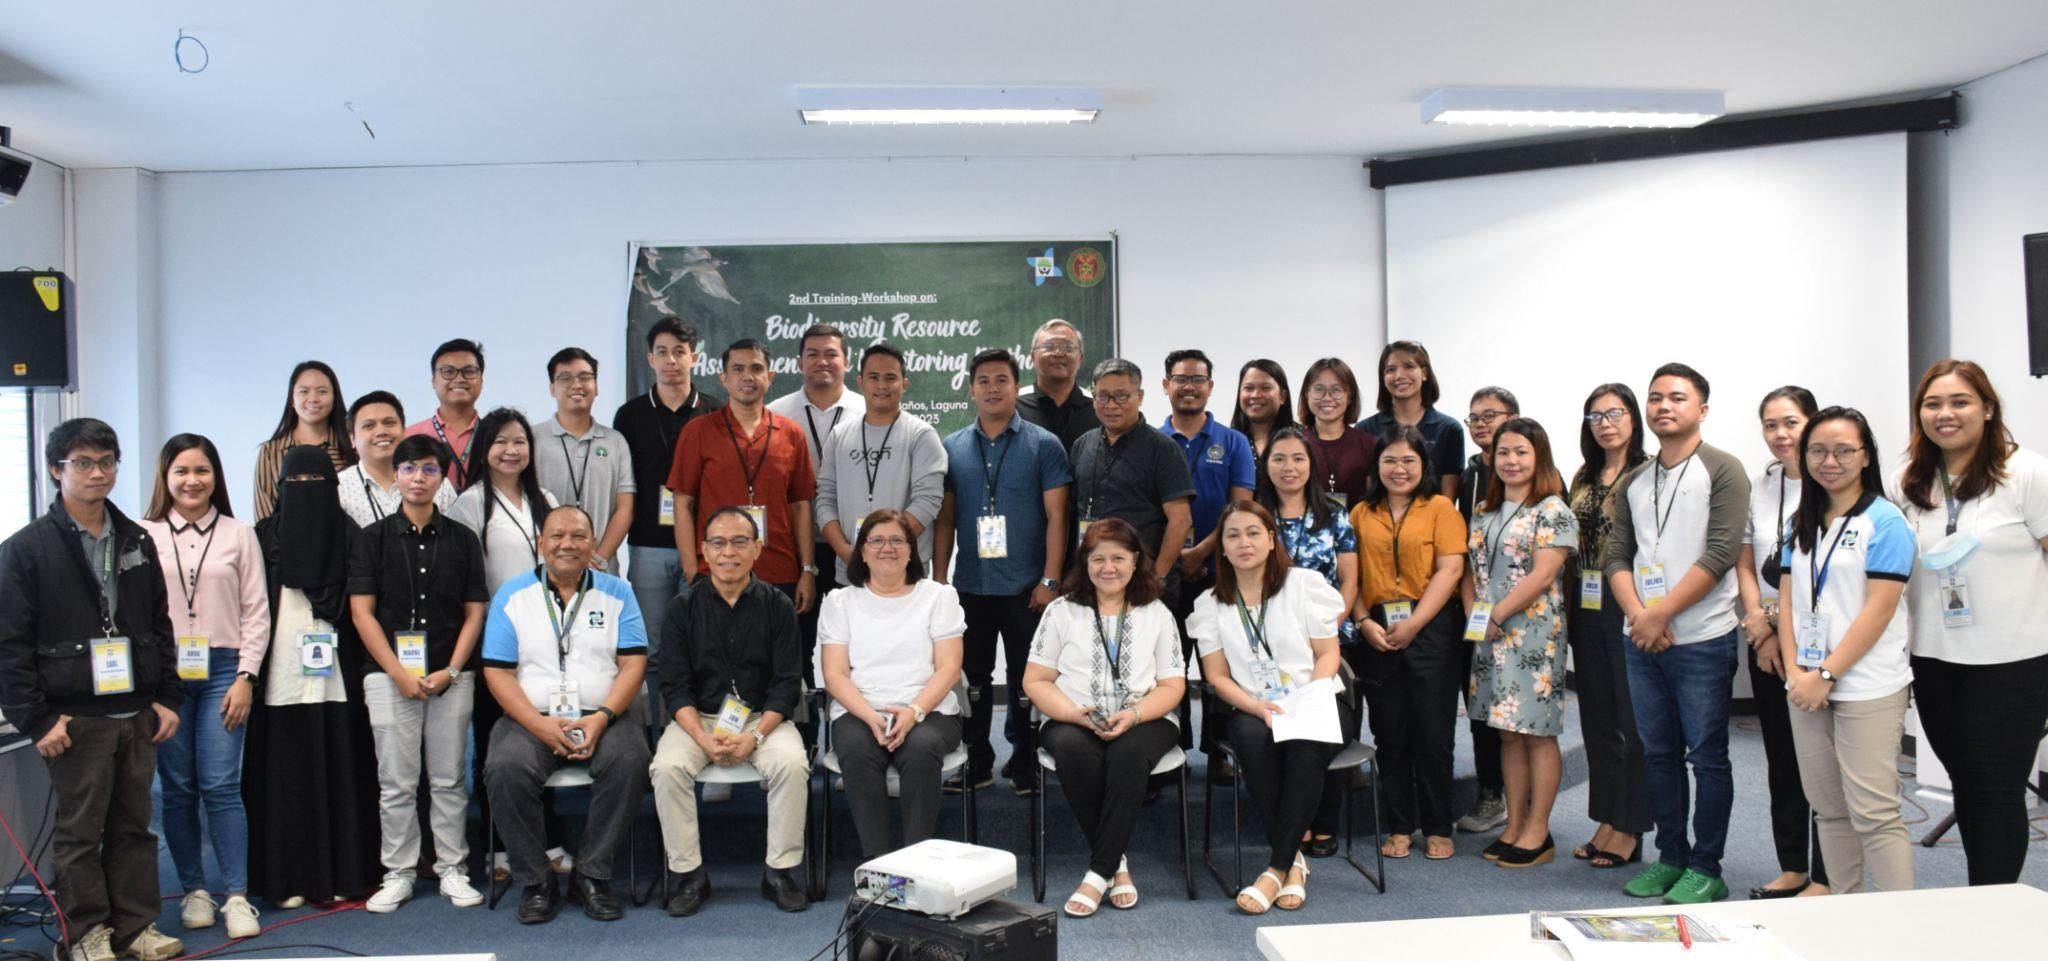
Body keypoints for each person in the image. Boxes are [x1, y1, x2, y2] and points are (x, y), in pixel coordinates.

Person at [0, 419, 185, 961]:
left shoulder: (135, 539)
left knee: (134, 827)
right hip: (72, 716)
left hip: (135, 709)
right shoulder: (26, 550)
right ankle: (85, 934)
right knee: (81, 832)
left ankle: (136, 927)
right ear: (57, 470)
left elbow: (159, 623)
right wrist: (36, 720)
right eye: (83, 463)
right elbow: (9, 646)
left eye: (107, 462)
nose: (98, 473)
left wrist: (167, 696)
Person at [1896, 359, 2048, 886]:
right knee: (1966, 785)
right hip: (1935, 660)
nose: (1945, 414)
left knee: (1995, 791)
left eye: (1960, 402)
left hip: (2012, 663)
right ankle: (1981, 903)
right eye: (1933, 404)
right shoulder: (1909, 481)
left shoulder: (2026, 472)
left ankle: (1994, 905)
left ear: (1987, 408)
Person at [1604, 363, 1750, 905]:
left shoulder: (1724, 469)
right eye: (1656, 398)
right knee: (1657, 754)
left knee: (1707, 757)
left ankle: (1706, 867)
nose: (1664, 406)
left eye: (1678, 398)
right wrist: (1641, 616)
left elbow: (1721, 553)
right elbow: (1617, 554)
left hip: (1703, 639)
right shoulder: (1637, 479)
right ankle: (1670, 857)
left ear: (1702, 410)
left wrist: (1658, 615)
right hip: (1642, 637)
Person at [481, 506, 653, 923]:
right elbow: (497, 671)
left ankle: (591, 874)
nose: (567, 544)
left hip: (603, 715)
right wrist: (537, 724)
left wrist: (603, 716)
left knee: (631, 760)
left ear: (593, 544)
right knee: (504, 767)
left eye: (578, 536)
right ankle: (535, 879)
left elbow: (633, 664)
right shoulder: (513, 594)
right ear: (541, 544)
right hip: (531, 717)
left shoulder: (618, 593)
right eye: (557, 536)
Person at [1775, 407, 1915, 894]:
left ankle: (1901, 927)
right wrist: (1795, 669)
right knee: (1829, 809)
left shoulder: (1886, 521)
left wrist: (1826, 674)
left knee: (1874, 812)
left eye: (1843, 451)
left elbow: (1878, 612)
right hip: (1806, 685)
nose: (1829, 461)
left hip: (1866, 686)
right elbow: (1789, 601)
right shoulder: (1804, 520)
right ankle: (1845, 912)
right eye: (1817, 450)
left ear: (1865, 456)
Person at [347, 434, 489, 912]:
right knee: (397, 783)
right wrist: (398, 674)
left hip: (452, 676)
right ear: (397, 476)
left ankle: (452, 868)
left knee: (450, 780)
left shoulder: (463, 539)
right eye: (409, 469)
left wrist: (451, 669)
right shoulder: (372, 539)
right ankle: (400, 872)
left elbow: (475, 613)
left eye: (430, 469)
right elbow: (362, 614)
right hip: (389, 679)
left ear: (443, 477)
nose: (418, 478)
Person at [138, 435, 269, 939]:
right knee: (176, 788)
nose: (192, 481)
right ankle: (194, 888)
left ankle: (235, 894)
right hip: (165, 674)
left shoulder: (240, 534)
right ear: (165, 478)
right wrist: (149, 686)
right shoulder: (142, 534)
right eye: (181, 472)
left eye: (202, 470)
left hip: (223, 670)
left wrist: (246, 677)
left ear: (216, 475)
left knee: (219, 784)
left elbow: (257, 610)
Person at [651, 507, 812, 915]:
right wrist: (703, 738)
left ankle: (779, 871)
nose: (729, 552)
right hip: (696, 721)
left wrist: (754, 737)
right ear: (703, 550)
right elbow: (674, 687)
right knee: (667, 768)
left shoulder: (778, 606)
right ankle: (689, 875)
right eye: (718, 543)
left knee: (793, 764)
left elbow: (787, 684)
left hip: (762, 720)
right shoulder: (681, 609)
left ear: (758, 548)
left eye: (740, 541)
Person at [1022, 519, 1186, 919]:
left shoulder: (1157, 612)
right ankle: (1117, 865)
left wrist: (1133, 713)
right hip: (1071, 715)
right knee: (1076, 753)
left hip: (1145, 716)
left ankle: (1097, 873)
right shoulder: (1062, 610)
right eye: (1098, 559)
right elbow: (1036, 680)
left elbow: (1172, 685)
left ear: (1135, 562)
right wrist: (1072, 715)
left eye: (1118, 557)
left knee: (1128, 755)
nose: (1107, 567)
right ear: (1085, 563)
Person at [242, 445, 383, 910]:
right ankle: (288, 878)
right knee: (285, 780)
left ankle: (346, 873)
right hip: (279, 675)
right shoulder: (262, 537)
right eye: (295, 484)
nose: (305, 493)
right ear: (280, 488)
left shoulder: (352, 537)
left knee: (344, 771)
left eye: (316, 484)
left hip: (339, 678)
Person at [1190, 502, 1347, 914]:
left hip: (1318, 696)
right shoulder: (1211, 604)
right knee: (1249, 736)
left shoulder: (1304, 585)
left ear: (1271, 539)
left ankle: (1276, 867)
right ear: (1221, 547)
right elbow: (1218, 677)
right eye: (1233, 535)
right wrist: (1257, 706)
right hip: (1255, 704)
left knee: (1304, 746)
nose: (1245, 542)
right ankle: (1294, 862)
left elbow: (1329, 654)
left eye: (1254, 532)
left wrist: (1308, 698)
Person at [930, 348, 1071, 795]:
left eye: (1002, 380)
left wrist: (1050, 579)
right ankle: (978, 760)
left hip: (1027, 586)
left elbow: (1058, 518)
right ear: (971, 389)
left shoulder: (1044, 444)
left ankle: (1025, 761)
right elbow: (946, 519)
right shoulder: (951, 447)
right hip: (970, 585)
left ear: (1017, 386)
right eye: (984, 381)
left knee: (1026, 679)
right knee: (970, 678)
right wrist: (939, 581)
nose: (993, 388)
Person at [447, 407, 567, 882]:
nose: (511, 450)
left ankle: (552, 839)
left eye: (519, 441)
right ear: (484, 449)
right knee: (497, 749)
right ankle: (498, 850)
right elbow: (468, 580)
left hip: (547, 640)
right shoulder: (471, 503)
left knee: (547, 736)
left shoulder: (546, 498)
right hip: (495, 641)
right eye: (500, 442)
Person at [1345, 425, 1468, 861]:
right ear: (1376, 466)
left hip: (1431, 625)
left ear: (1424, 466)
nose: (1399, 470)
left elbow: (1450, 571)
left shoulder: (1441, 509)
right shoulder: (1360, 513)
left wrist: (1415, 624)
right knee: (1389, 732)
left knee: (1433, 735)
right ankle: (1399, 824)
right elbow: (1349, 576)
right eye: (1390, 461)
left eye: (1408, 461)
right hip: (1376, 629)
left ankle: (1437, 825)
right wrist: (1361, 621)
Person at [818, 510, 966, 858]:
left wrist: (914, 712)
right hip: (860, 709)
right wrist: (870, 717)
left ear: (913, 550)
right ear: (863, 551)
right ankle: (880, 868)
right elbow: (835, 674)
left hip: (929, 710)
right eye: (877, 540)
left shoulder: (938, 597)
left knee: (920, 747)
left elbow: (948, 667)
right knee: (856, 749)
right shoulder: (840, 602)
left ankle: (916, 865)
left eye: (898, 540)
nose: (888, 548)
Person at [1464, 417, 1577, 869]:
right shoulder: (1483, 511)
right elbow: (1471, 572)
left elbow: (1544, 574)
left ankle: (1538, 829)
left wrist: (1496, 612)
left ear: (1539, 457)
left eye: (1521, 452)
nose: (1511, 461)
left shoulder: (1552, 510)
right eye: (1504, 452)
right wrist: (1478, 614)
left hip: (1533, 635)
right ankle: (1514, 824)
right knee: (1507, 733)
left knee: (1537, 733)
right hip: (1489, 634)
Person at [1734, 386, 1829, 898]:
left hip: (1819, 645)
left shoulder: (1833, 482)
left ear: (1811, 421)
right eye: (1770, 425)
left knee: (1825, 762)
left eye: (1791, 422)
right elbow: (1746, 561)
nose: (1781, 434)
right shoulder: (1761, 485)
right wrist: (1758, 624)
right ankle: (1793, 865)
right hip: (1768, 640)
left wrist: (1779, 628)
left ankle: (1831, 874)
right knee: (1783, 759)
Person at [1255, 427, 1363, 856]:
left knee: (1323, 727)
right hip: (1266, 649)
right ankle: (1292, 820)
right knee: (1280, 735)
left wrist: (1324, 632)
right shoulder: (1254, 514)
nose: (1289, 467)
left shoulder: (1334, 515)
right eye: (1279, 458)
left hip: (1326, 643)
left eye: (1298, 458)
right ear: (1267, 465)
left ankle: (1325, 821)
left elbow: (1350, 580)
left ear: (1311, 464)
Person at [611, 318, 723, 698]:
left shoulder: (714, 411)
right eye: (662, 352)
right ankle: (655, 735)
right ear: (649, 358)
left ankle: (691, 727)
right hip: (648, 545)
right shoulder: (629, 415)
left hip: (703, 547)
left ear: (694, 357)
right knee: (652, 646)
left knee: (701, 645)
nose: (671, 360)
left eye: (679, 351)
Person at [1565, 385, 1652, 870]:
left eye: (1614, 413)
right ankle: (1606, 817)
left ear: (1632, 418)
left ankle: (1631, 826)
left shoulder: (1649, 471)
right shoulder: (1585, 474)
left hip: (1627, 601)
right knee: (1597, 718)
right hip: (1585, 601)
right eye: (1595, 415)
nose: (1605, 423)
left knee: (1629, 721)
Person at [1158, 350, 1255, 770]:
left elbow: (1242, 509)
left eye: (1199, 379)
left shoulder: (1233, 442)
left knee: (1224, 663)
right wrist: (1174, 557)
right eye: (1181, 378)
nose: (1190, 386)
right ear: (1166, 386)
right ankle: (1172, 747)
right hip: (1166, 573)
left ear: (1211, 387)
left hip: (1219, 572)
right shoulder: (1152, 441)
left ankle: (1219, 749)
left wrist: (1200, 551)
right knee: (1167, 663)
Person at [817, 343, 947, 586]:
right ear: (860, 382)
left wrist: (882, 551)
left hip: (904, 571)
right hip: (850, 570)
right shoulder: (839, 435)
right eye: (873, 377)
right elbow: (825, 500)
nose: (881, 386)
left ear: (904, 384)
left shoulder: (921, 435)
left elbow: (927, 502)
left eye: (890, 378)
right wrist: (849, 553)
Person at [1069, 358, 1195, 597]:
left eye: (1122, 396)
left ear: (1140, 396)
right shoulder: (1082, 445)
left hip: (1144, 582)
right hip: (1094, 578)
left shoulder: (1162, 448)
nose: (1111, 405)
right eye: (1103, 396)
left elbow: (1180, 520)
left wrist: (1157, 577)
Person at [770, 324, 864, 641]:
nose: (822, 361)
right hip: (795, 546)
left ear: (847, 362)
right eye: (813, 354)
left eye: (831, 354)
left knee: (855, 637)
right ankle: (805, 692)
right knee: (795, 638)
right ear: (799, 363)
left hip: (852, 546)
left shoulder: (869, 413)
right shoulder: (774, 415)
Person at [1452, 385, 1517, 833]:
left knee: (1520, 710)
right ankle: (1491, 793)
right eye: (1473, 417)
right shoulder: (1470, 473)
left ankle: (1525, 798)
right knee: (1479, 703)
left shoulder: (1537, 470)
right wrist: (1476, 610)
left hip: (1523, 607)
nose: (1481, 424)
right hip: (1477, 604)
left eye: (1490, 415)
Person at [533, 348, 635, 572]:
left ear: (596, 386)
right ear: (552, 389)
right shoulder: (531, 439)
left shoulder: (615, 441)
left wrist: (598, 558)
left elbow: (624, 509)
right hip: (547, 570)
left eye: (585, 377)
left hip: (601, 570)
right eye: (565, 378)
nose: (576, 384)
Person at [251, 361, 355, 521]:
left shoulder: (351, 447)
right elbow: (265, 521)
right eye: (303, 391)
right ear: (292, 399)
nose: (313, 399)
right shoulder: (271, 451)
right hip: (287, 544)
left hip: (346, 543)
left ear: (335, 398)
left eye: (322, 391)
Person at [1358, 341, 1463, 499]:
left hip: (1433, 520)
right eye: (1391, 370)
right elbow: (1369, 491)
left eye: (1408, 366)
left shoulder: (1449, 429)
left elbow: (1449, 495)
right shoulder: (1366, 429)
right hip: (1383, 519)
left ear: (1424, 373)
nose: (1399, 376)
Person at [338, 391, 455, 527]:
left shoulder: (439, 483)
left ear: (404, 430)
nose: (381, 431)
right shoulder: (338, 488)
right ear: (352, 438)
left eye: (389, 423)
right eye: (369, 425)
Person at [406, 338, 488, 490]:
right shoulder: (409, 436)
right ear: (433, 381)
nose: (459, 379)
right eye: (448, 372)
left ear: (482, 381)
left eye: (469, 371)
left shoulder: (495, 437)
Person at [1298, 358, 1379, 509]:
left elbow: (1375, 503)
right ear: (1306, 394)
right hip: (1305, 530)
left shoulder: (1369, 445)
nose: (1327, 398)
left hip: (1356, 529)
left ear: (1350, 397)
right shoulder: (1296, 443)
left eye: (1336, 390)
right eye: (1319, 389)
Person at [1018, 319, 1099, 451]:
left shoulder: (1098, 408)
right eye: (1048, 347)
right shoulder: (1014, 406)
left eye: (1067, 347)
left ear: (1080, 358)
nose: (1058, 353)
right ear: (1033, 357)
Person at [1229, 360, 1296, 462]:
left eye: (1265, 388)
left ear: (1282, 396)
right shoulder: (1227, 441)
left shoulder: (1304, 439)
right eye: (1248, 388)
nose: (1255, 395)